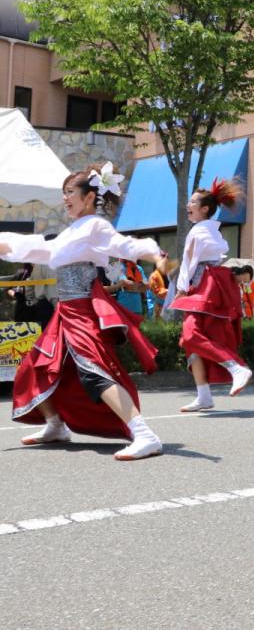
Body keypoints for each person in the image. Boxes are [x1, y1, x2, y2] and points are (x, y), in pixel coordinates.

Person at [0, 162, 166, 460]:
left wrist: (154, 252)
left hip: (82, 312)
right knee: (33, 367)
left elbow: (123, 245)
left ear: (89, 196)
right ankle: (56, 425)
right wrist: (4, 244)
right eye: (63, 192)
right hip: (65, 314)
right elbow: (42, 249)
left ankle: (145, 434)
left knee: (95, 373)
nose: (65, 198)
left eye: (70, 192)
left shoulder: (96, 225)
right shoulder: (73, 230)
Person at [172, 179, 254, 412]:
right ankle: (204, 395)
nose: (188, 205)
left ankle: (236, 366)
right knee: (192, 343)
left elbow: (189, 261)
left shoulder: (199, 231)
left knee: (190, 335)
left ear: (205, 208)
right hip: (209, 284)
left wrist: (180, 289)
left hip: (202, 285)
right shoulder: (209, 230)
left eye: (193, 202)